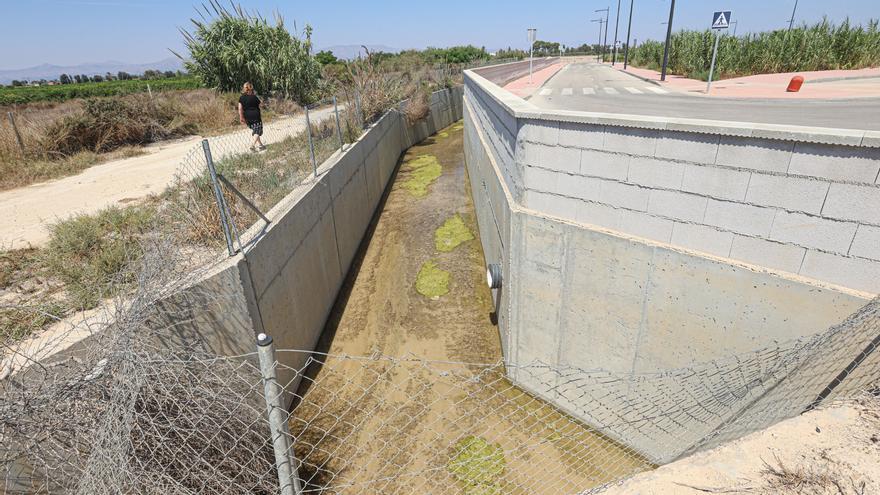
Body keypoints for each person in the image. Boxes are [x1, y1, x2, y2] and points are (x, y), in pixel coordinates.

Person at [238, 82, 265, 152]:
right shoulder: (254, 97)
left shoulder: (241, 98)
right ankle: (252, 145)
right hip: (255, 115)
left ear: (244, 88)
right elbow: (261, 105)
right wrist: (261, 101)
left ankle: (261, 145)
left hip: (247, 116)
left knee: (255, 130)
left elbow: (240, 108)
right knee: (258, 130)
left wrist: (241, 117)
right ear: (251, 88)